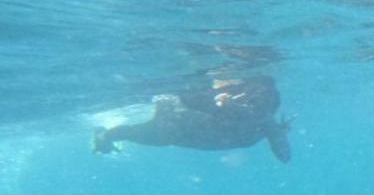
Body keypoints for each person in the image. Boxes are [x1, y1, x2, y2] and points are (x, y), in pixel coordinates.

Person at [93, 75, 292, 162]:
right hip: (178, 129)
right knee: (128, 133)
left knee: (128, 133)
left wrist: (226, 104)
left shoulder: (264, 122)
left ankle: (103, 139)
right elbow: (284, 157)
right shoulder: (266, 123)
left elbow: (284, 156)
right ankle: (103, 139)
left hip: (175, 129)